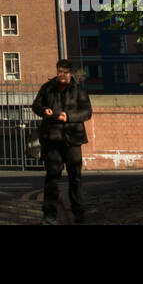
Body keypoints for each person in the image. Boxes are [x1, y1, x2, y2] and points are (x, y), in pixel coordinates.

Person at [32, 59, 93, 224]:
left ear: (71, 73)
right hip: (52, 138)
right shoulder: (48, 87)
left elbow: (87, 112)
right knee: (52, 177)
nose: (62, 75)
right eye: (59, 71)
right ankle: (49, 215)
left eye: (65, 72)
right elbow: (35, 105)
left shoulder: (78, 90)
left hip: (73, 138)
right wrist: (44, 111)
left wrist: (69, 117)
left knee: (75, 177)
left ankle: (79, 214)